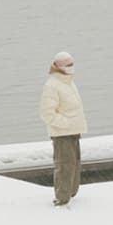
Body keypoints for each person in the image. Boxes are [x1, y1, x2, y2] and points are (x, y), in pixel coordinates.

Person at [39, 51, 88, 206]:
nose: (71, 67)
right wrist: (65, 123)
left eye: (72, 63)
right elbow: (46, 113)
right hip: (62, 134)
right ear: (59, 66)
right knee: (64, 166)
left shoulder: (69, 82)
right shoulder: (52, 85)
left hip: (74, 131)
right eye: (68, 64)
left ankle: (71, 194)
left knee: (75, 164)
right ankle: (62, 199)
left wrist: (73, 125)